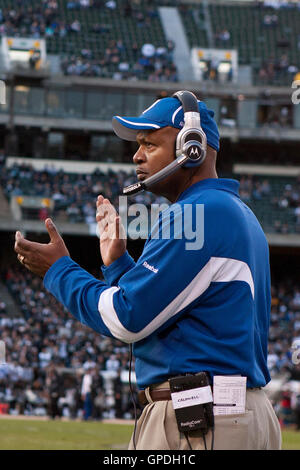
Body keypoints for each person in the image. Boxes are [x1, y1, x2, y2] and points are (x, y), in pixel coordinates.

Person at [14, 91, 281, 450]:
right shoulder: (232, 211)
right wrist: (118, 263)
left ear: (192, 147)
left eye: (150, 144)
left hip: (203, 420)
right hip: (227, 415)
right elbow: (169, 316)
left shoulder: (196, 214)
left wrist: (58, 270)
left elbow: (128, 318)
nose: (137, 156)